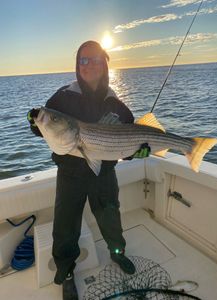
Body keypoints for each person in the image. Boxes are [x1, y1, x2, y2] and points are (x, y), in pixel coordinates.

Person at [27, 41, 150, 300]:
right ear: (77, 65)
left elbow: (127, 144)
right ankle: (66, 271)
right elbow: (44, 125)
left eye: (96, 59)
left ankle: (118, 253)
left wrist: (136, 152)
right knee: (65, 225)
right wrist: (34, 121)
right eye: (84, 60)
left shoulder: (115, 103)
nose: (90, 65)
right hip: (70, 173)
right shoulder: (63, 97)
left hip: (103, 173)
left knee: (110, 217)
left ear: (105, 63)